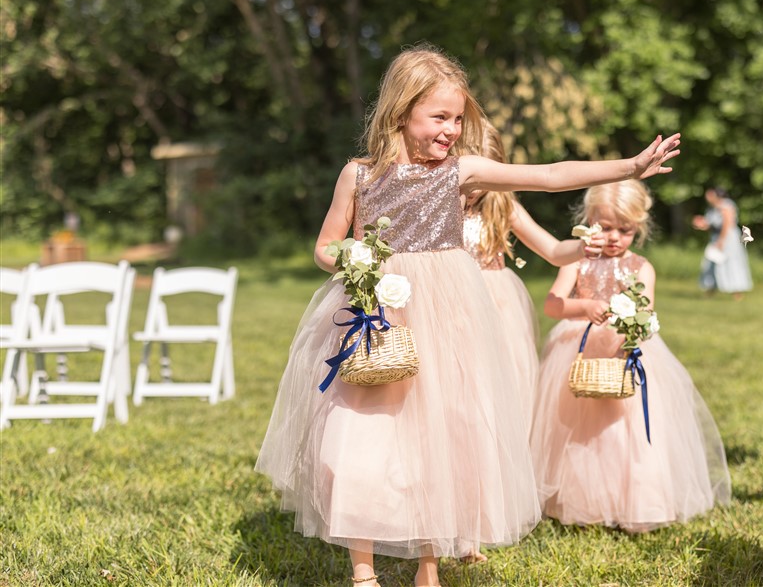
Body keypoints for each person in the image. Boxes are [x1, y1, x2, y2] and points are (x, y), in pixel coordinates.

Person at [254, 45, 682, 587]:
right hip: (379, 314)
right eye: (439, 117)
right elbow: (325, 245)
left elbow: (549, 174)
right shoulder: (358, 175)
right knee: (357, 436)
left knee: (438, 433)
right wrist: (354, 259)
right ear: (400, 112)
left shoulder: (461, 173)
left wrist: (629, 166)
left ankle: (428, 567)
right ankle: (363, 571)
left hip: (444, 318)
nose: (452, 130)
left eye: (457, 118)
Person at [530, 180, 730, 533]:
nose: (613, 238)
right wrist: (584, 305)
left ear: (638, 228)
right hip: (580, 348)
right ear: (588, 222)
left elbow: (647, 312)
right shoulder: (578, 261)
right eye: (605, 228)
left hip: (625, 348)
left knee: (627, 429)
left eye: (624, 230)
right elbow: (552, 304)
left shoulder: (641, 267)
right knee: (581, 429)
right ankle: (584, 501)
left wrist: (631, 333)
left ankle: (636, 499)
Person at [462, 122, 606, 427]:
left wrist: (582, 248)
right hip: (452, 299)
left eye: (484, 181)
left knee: (498, 381)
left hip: (496, 306)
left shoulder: (503, 205)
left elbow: (552, 250)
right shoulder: (437, 203)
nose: (475, 190)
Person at [691, 187, 753, 298]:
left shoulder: (726, 205)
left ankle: (737, 293)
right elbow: (712, 225)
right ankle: (710, 291)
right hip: (717, 237)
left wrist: (721, 241)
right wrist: (702, 224)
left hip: (728, 238)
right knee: (711, 263)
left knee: (732, 263)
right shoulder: (711, 209)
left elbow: (727, 225)